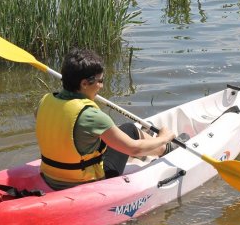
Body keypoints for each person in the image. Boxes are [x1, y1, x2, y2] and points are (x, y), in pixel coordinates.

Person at [35, 48, 176, 190]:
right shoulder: (92, 116)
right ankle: (165, 148)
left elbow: (63, 127)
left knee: (101, 136)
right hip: (84, 182)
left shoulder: (44, 101)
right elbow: (134, 149)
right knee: (130, 129)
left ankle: (154, 144)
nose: (102, 86)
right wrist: (164, 137)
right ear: (84, 84)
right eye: (100, 81)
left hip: (50, 177)